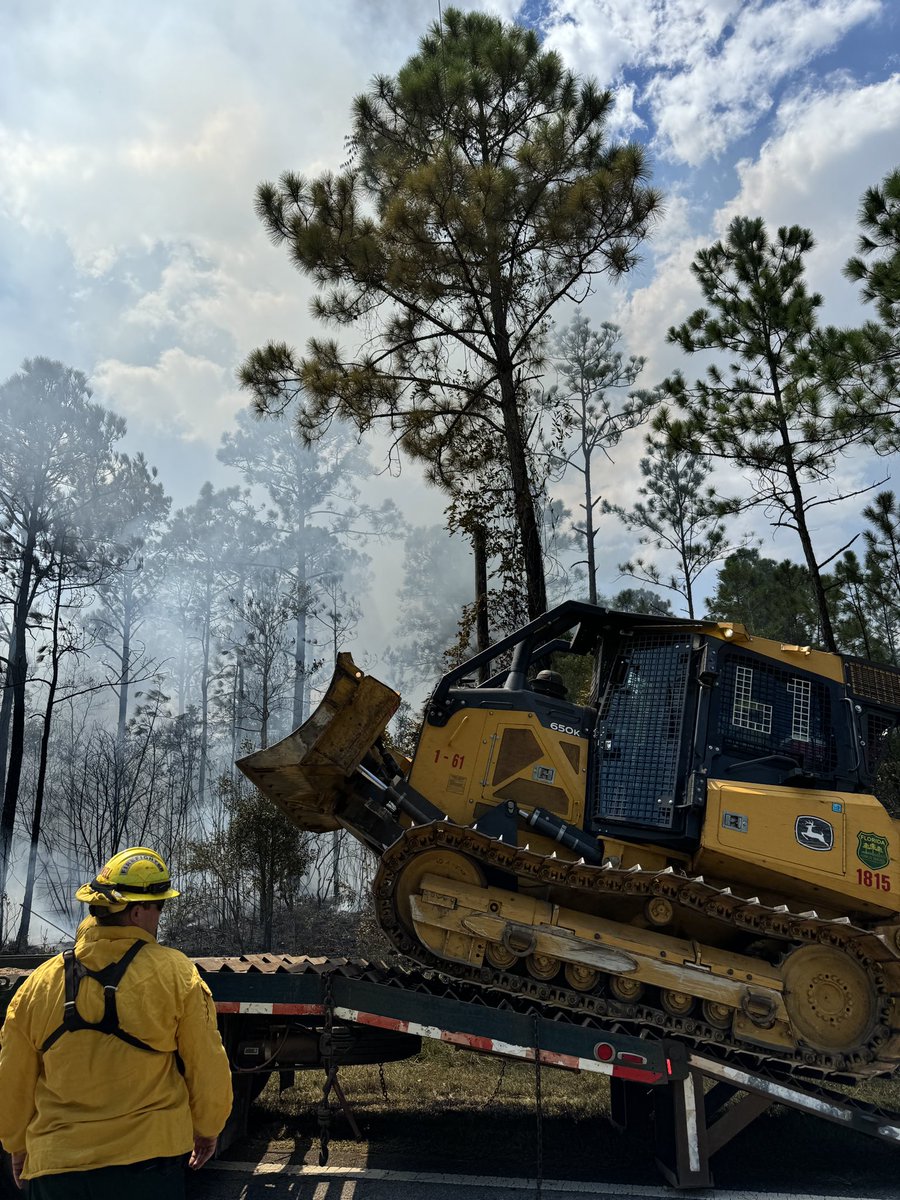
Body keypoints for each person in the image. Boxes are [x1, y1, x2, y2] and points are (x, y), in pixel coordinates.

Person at [0, 847, 233, 1197]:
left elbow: (13, 1079)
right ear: (138, 912)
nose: (159, 918)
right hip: (149, 1164)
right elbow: (207, 1063)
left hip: (58, 1168)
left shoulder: (39, 984)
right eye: (159, 907)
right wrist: (208, 1127)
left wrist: (17, 1145)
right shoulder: (176, 973)